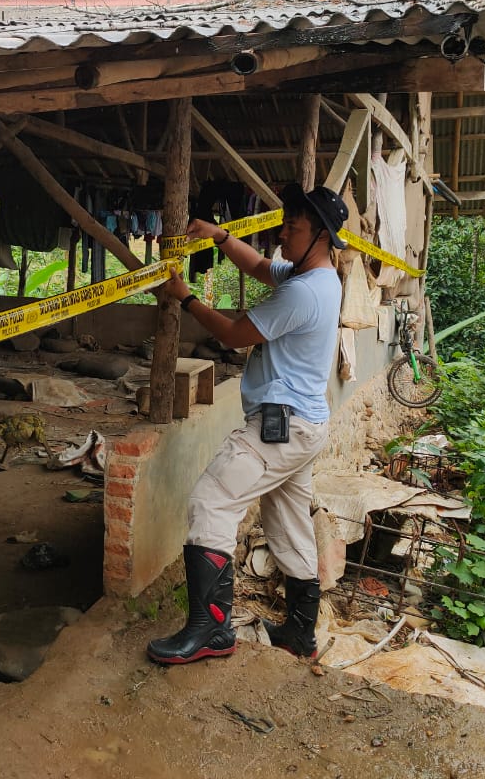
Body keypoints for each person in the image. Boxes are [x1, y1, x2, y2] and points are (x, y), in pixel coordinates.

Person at [147, 183, 348, 665]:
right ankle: (300, 633)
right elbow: (260, 266)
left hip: (281, 426)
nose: (281, 234)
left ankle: (213, 631)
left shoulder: (303, 294)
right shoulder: (316, 277)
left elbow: (237, 337)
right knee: (288, 521)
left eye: (292, 228)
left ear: (320, 235)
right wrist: (220, 237)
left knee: (210, 502)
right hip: (302, 428)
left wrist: (186, 297)